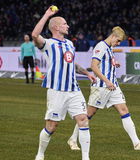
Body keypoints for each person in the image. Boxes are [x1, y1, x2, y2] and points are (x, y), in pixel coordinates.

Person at [67, 26, 140, 152]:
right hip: (102, 86)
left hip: (113, 86)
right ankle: (73, 139)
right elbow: (94, 66)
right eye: (118, 41)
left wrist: (114, 64)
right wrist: (106, 81)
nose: (118, 44)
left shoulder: (109, 48)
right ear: (113, 36)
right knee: (88, 115)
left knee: (124, 110)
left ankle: (136, 143)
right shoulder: (101, 46)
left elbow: (104, 63)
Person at [31, 7, 96, 160]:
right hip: (56, 90)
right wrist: (47, 14)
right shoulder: (48, 44)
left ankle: (85, 158)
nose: (68, 26)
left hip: (74, 89)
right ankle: (40, 155)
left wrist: (87, 73)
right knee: (51, 126)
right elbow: (34, 34)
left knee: (83, 120)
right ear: (56, 27)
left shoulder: (69, 44)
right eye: (65, 24)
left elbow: (71, 64)